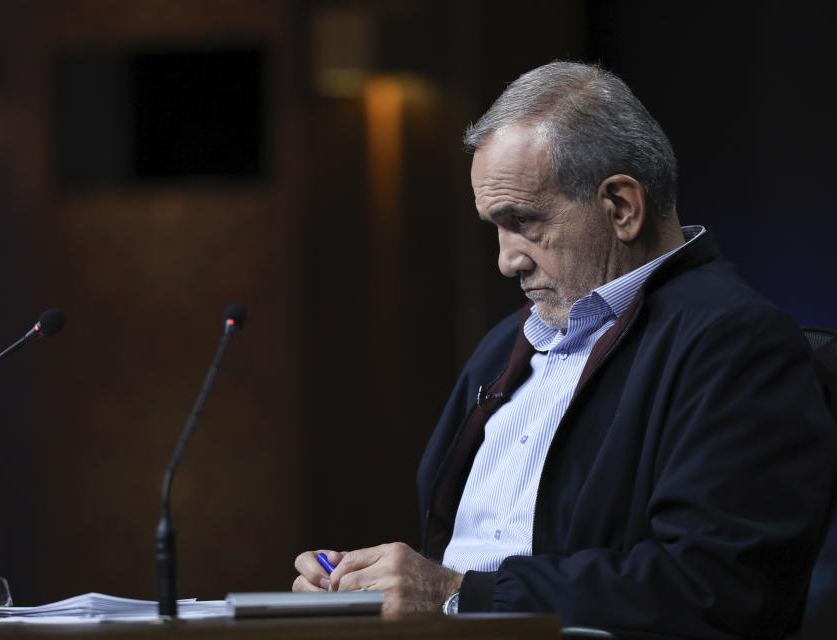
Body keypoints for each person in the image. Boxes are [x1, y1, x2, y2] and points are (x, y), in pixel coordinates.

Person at [293, 61, 837, 639]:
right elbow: (456, 558)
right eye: (495, 228)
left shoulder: (736, 343)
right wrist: (365, 584)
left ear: (621, 207)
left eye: (522, 222)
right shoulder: (507, 344)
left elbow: (714, 587)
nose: (507, 259)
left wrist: (457, 596)